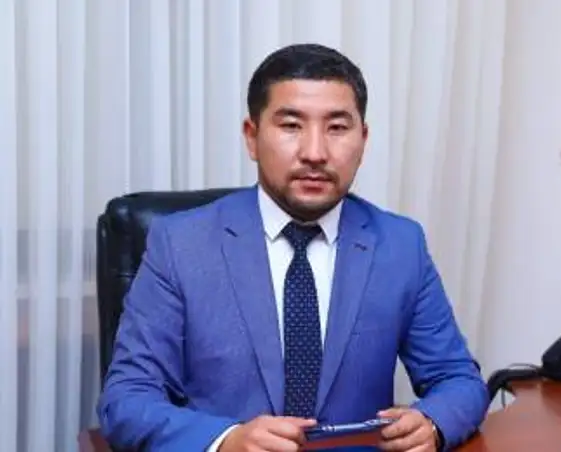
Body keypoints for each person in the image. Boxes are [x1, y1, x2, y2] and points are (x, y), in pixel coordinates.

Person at [97, 43, 489, 452]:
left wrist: (433, 422)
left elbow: (458, 379)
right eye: (291, 126)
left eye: (337, 128)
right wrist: (226, 441)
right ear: (252, 137)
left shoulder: (399, 244)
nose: (315, 153)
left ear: (363, 139)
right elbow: (127, 400)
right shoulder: (181, 244)